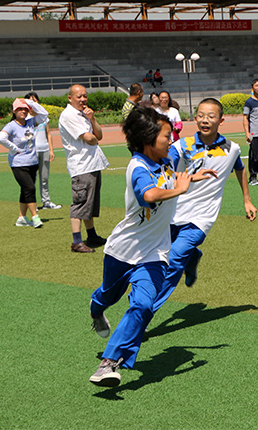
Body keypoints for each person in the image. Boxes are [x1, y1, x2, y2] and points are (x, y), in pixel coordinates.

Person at [88, 107, 193, 387]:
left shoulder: (165, 160)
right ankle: (95, 308)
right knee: (108, 296)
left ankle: (108, 364)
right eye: (166, 136)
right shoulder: (138, 167)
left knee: (144, 304)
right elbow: (149, 194)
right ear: (148, 139)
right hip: (122, 250)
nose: (170, 141)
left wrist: (191, 177)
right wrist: (181, 189)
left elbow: (169, 181)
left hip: (154, 254)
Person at [152, 98, 257, 312]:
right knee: (157, 257)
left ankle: (145, 310)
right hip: (173, 213)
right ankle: (193, 257)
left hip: (201, 219)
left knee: (173, 261)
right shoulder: (182, 145)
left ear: (221, 120)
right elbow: (166, 167)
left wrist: (247, 199)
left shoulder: (232, 148)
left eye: (210, 116)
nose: (204, 120)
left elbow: (240, 168)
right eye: (200, 115)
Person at [58, 84, 109, 253]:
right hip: (81, 166)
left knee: (90, 203)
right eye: (79, 96)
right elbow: (89, 138)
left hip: (92, 163)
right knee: (80, 204)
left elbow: (99, 135)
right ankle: (76, 241)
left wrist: (92, 119)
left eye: (85, 96)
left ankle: (92, 235)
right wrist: (94, 137)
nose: (83, 99)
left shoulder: (84, 114)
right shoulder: (68, 115)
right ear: (70, 98)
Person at [0, 97, 49, 228]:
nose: (23, 112)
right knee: (30, 188)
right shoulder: (11, 126)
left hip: (32, 162)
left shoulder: (31, 122)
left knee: (25, 190)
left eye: (25, 109)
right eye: (19, 109)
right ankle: (35, 216)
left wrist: (29, 103)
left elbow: (44, 114)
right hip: (18, 164)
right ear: (14, 111)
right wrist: (14, 148)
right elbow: (0, 138)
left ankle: (21, 218)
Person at [26, 91, 61, 210]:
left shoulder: (43, 118)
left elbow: (49, 134)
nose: (33, 103)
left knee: (44, 178)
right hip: (32, 152)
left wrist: (51, 150)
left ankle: (46, 201)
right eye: (31, 101)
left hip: (44, 149)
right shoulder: (26, 119)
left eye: (35, 101)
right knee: (32, 179)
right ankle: (32, 204)